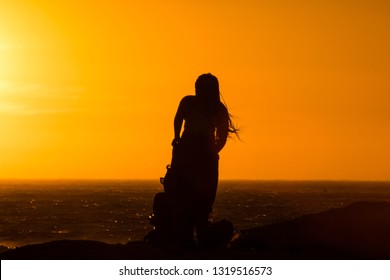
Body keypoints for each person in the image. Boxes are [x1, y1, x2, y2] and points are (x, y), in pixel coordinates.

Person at [168, 73, 238, 248]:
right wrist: (212, 152)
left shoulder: (199, 104)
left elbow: (178, 119)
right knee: (196, 199)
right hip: (197, 151)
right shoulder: (211, 107)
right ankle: (193, 241)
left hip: (193, 150)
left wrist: (178, 139)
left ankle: (189, 242)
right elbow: (221, 137)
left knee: (193, 199)